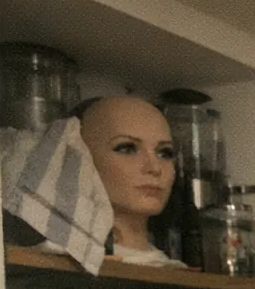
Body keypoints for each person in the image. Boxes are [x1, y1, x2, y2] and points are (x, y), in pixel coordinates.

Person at [76, 96, 182, 266]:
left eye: (165, 153)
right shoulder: (61, 258)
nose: (154, 168)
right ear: (81, 156)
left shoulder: (171, 267)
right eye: (126, 148)